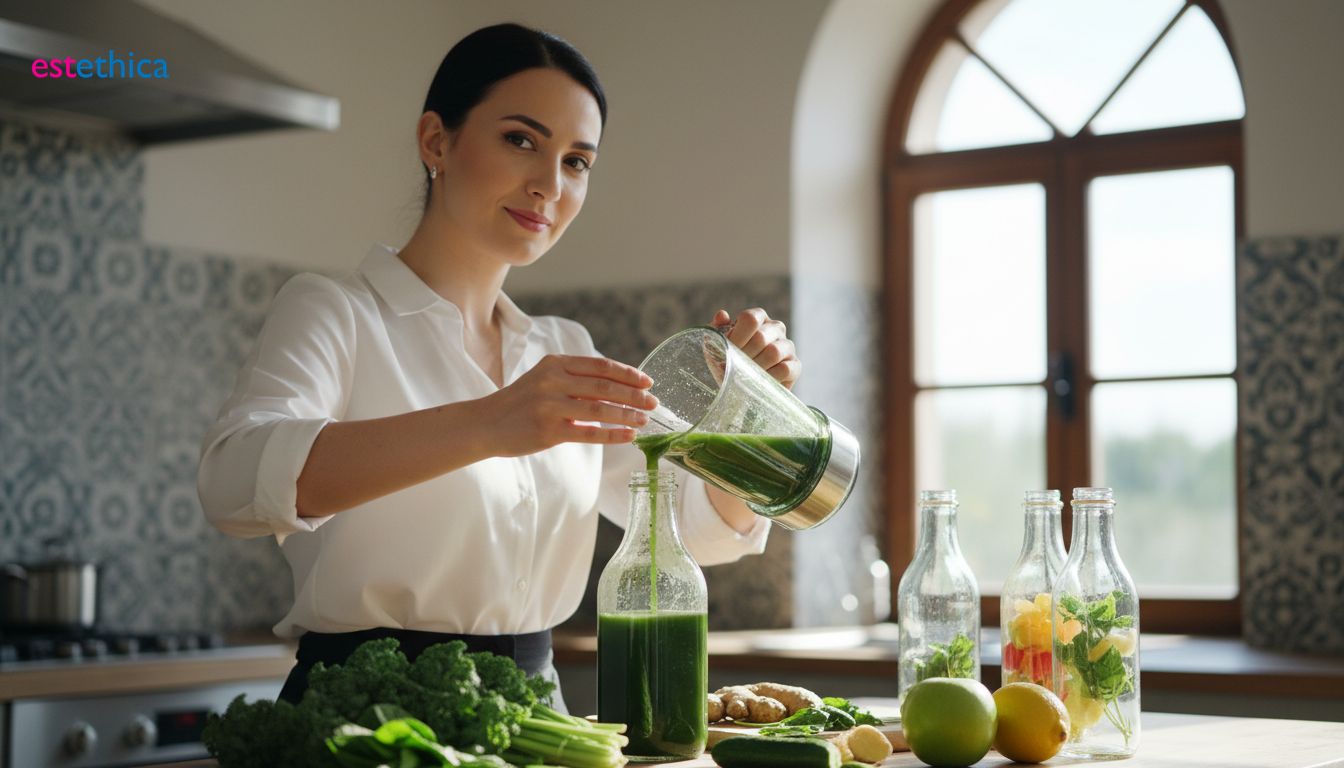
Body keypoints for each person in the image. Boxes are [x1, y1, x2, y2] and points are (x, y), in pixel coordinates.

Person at [197, 22, 800, 710]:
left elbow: (698, 528)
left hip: (534, 716)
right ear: (436, 141)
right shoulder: (334, 311)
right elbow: (233, 482)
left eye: (577, 162)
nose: (548, 184)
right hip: (362, 719)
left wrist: (747, 412)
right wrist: (490, 422)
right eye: (521, 141)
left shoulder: (563, 347)